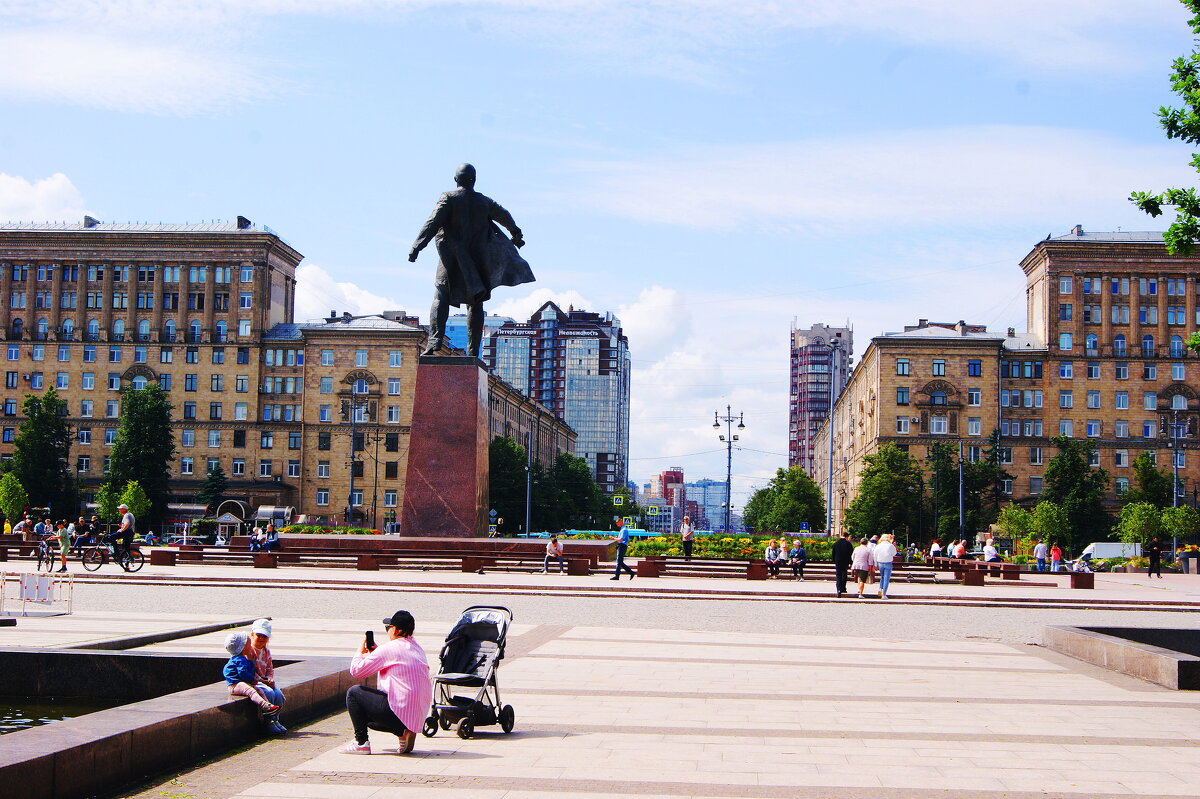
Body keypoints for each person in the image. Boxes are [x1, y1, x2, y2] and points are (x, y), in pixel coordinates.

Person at [408, 163, 533, 357]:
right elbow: (504, 215)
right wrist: (515, 233)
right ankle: (473, 351)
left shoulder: (449, 198)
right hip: (477, 260)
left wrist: (417, 246)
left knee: (441, 296)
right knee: (475, 302)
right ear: (474, 180)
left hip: (451, 258)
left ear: (455, 179)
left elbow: (432, 223)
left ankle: (434, 342)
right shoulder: (484, 202)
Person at [342, 610, 432, 755]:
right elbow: (398, 662)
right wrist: (377, 652)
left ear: (395, 630)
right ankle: (403, 733)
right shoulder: (417, 648)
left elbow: (356, 671)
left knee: (354, 694)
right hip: (417, 716)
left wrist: (359, 651)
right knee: (374, 707)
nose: (387, 631)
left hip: (397, 714)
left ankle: (361, 743)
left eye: (388, 627)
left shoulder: (389, 648)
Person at [223, 632, 282, 727]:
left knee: (259, 690)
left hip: (242, 683)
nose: (251, 646)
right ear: (243, 648)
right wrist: (252, 680)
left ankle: (267, 706)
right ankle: (264, 705)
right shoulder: (240, 660)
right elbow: (243, 673)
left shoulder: (243, 659)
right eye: (249, 644)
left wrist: (258, 678)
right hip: (235, 685)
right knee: (250, 690)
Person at [249, 618, 287, 733]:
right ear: (252, 635)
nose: (261, 639)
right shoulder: (249, 651)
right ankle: (268, 720)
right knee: (269, 693)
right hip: (254, 681)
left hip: (264, 681)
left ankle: (275, 719)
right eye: (258, 635)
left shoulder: (266, 651)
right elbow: (249, 670)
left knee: (279, 695)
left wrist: (270, 678)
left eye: (264, 636)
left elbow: (270, 668)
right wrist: (262, 680)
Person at [873, 533, 898, 599]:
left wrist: (875, 565)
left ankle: (880, 588)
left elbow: (875, 555)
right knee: (886, 578)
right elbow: (894, 553)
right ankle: (884, 594)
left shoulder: (878, 546)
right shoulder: (890, 545)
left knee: (882, 576)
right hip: (888, 562)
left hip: (880, 563)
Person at [832, 531, 853, 597]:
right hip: (845, 562)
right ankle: (843, 588)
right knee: (844, 574)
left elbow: (833, 553)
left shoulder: (836, 543)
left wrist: (834, 561)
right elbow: (850, 554)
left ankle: (838, 589)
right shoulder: (848, 544)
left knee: (838, 575)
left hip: (838, 562)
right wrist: (851, 563)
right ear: (847, 537)